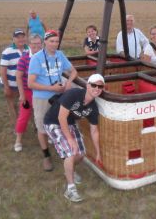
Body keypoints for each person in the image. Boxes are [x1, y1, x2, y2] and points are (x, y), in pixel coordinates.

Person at [44, 73, 104, 203]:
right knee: (71, 152)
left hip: (69, 124)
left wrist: (98, 152)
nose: (97, 88)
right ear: (88, 86)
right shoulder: (74, 94)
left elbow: (94, 130)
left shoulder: (93, 108)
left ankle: (69, 170)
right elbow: (61, 117)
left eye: (100, 86)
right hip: (53, 121)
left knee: (80, 155)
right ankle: (70, 189)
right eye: (94, 85)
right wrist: (70, 140)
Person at [28, 30, 78, 172]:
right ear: (45, 42)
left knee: (61, 124)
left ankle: (64, 151)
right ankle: (46, 156)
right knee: (42, 129)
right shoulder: (36, 58)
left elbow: (73, 72)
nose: (54, 44)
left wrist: (68, 82)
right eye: (52, 41)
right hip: (42, 98)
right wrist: (51, 88)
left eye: (57, 41)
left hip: (58, 97)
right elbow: (30, 83)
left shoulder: (60, 55)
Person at [14, 34, 43, 152]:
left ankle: (46, 135)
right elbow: (19, 77)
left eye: (38, 44)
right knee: (24, 116)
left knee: (43, 115)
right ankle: (18, 140)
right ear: (29, 45)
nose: (36, 46)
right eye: (33, 44)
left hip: (42, 91)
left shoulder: (45, 58)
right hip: (28, 92)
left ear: (42, 45)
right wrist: (22, 95)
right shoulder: (24, 59)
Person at [0, 29, 29, 125]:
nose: (21, 39)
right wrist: (6, 87)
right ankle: (17, 127)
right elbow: (2, 71)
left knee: (26, 105)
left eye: (22, 37)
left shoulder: (28, 49)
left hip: (25, 84)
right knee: (13, 106)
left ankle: (25, 123)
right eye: (18, 37)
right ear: (13, 39)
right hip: (11, 85)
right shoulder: (7, 52)